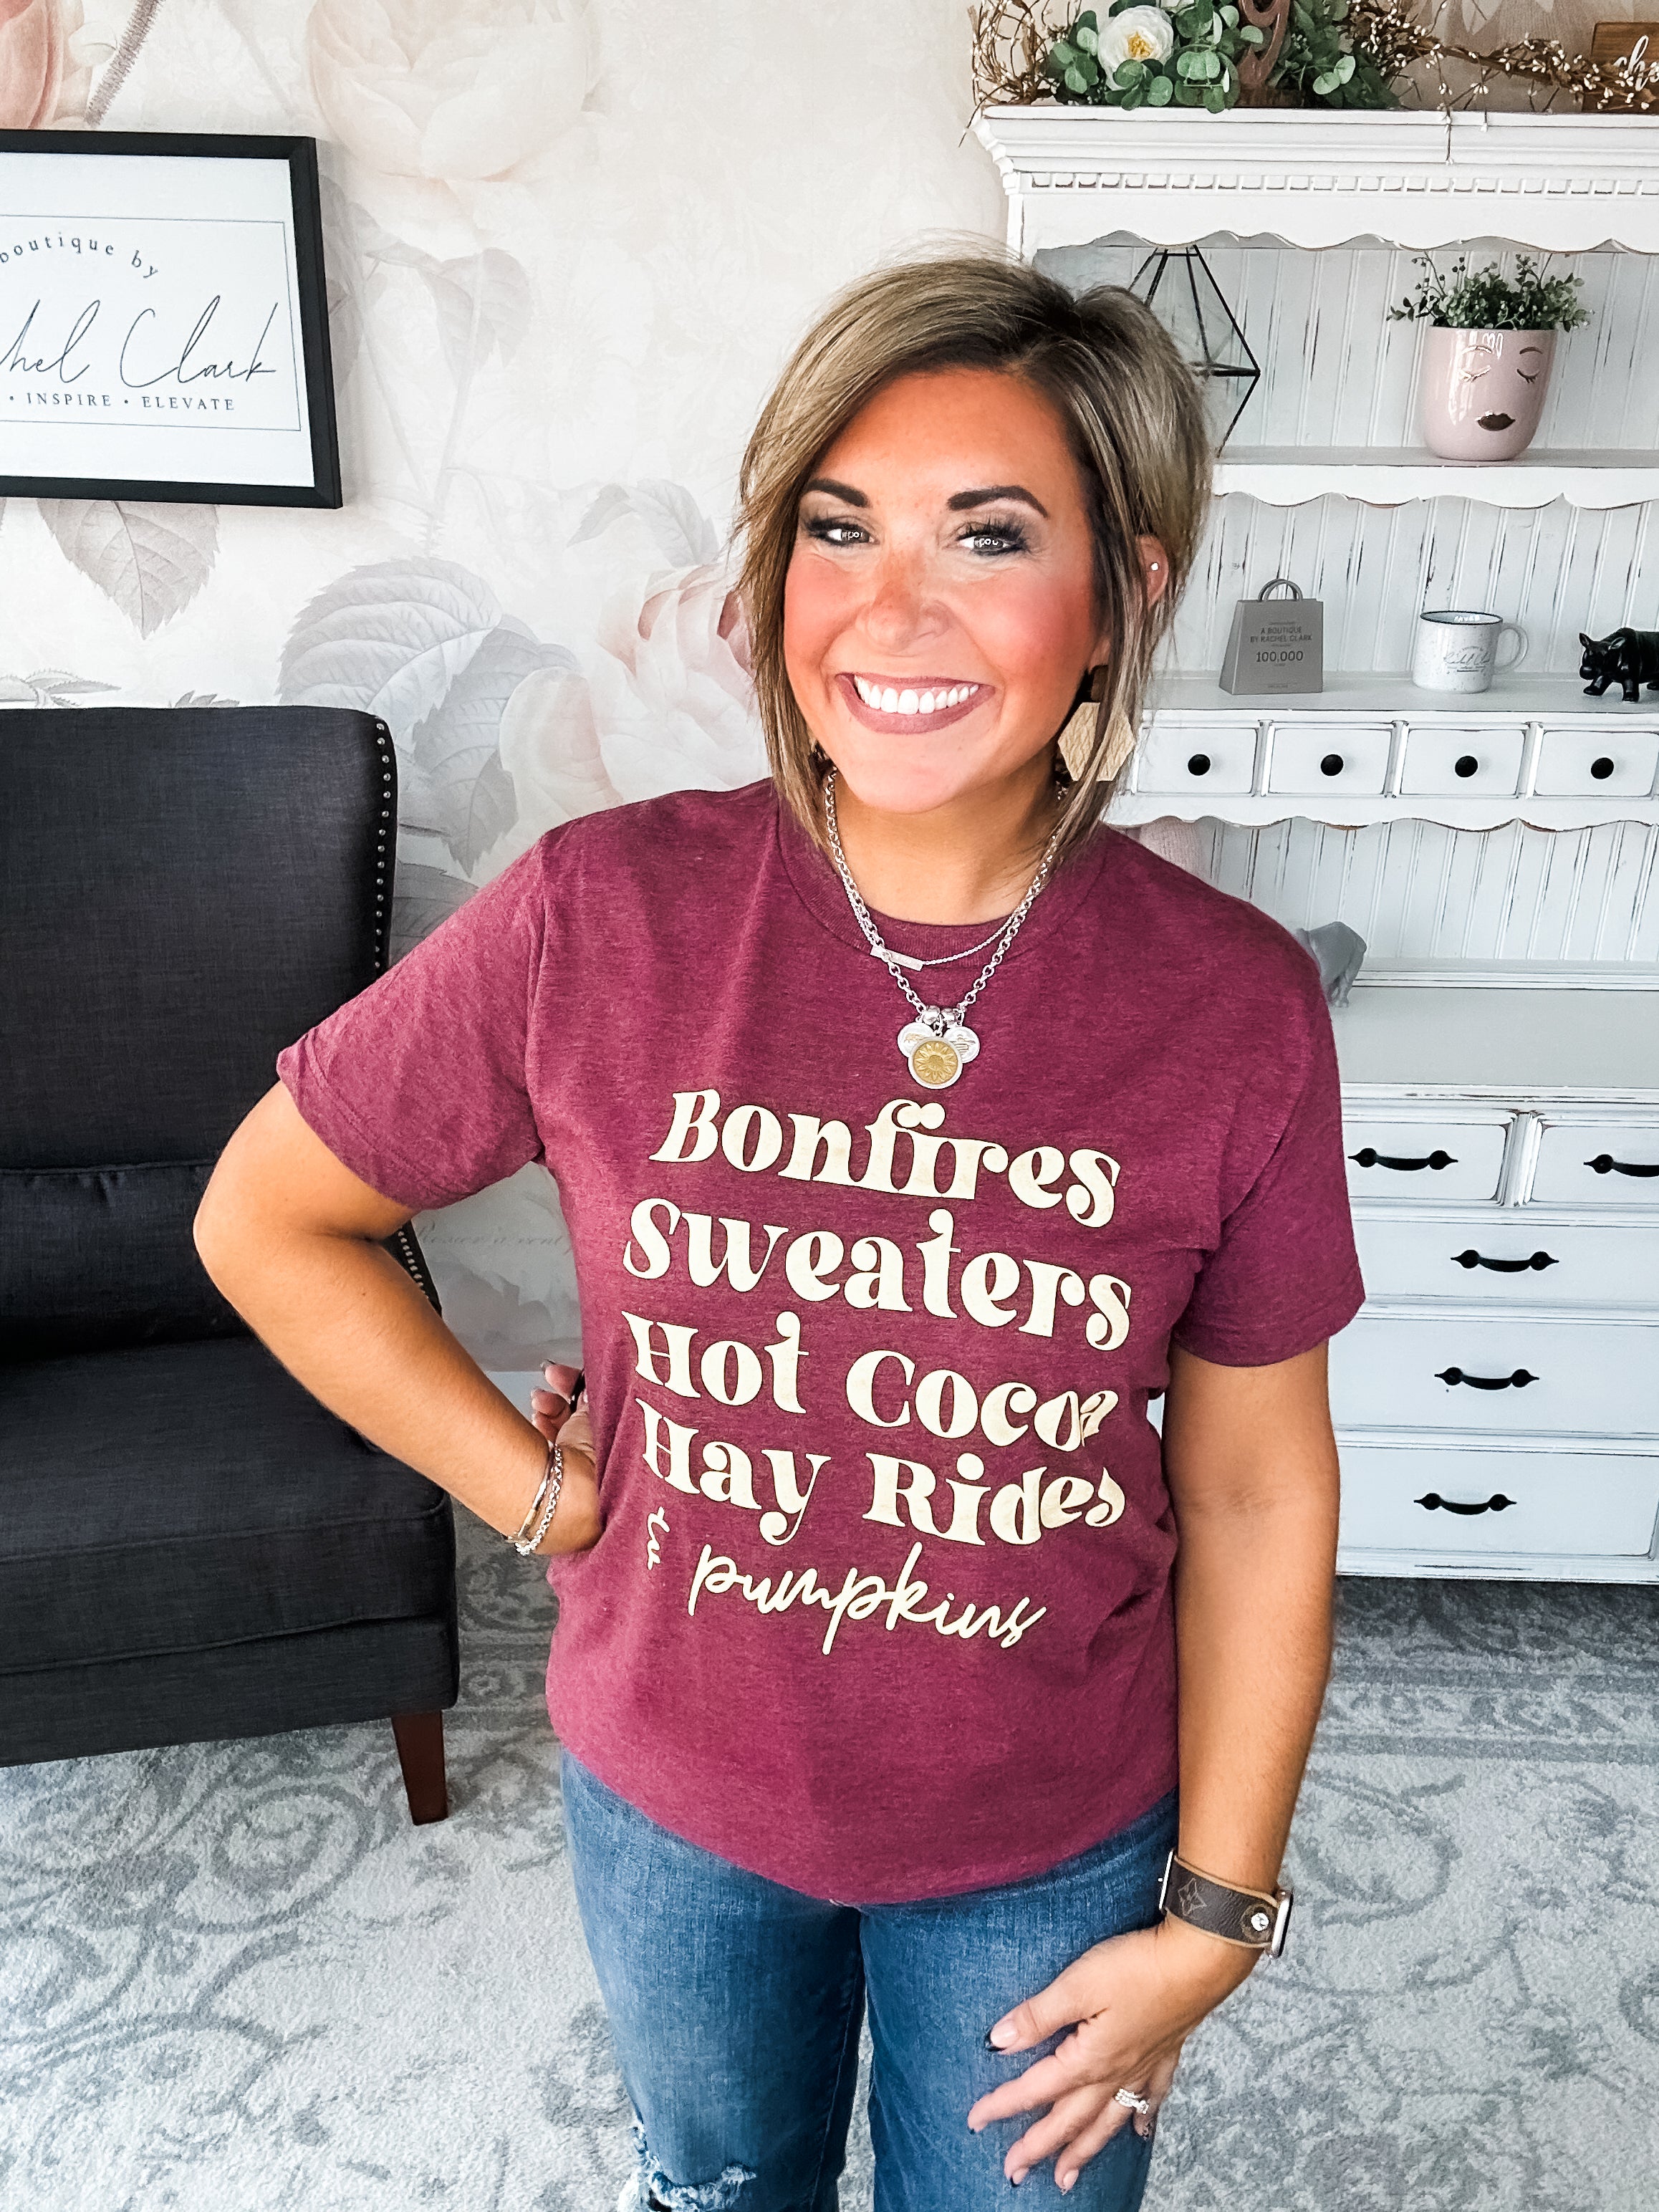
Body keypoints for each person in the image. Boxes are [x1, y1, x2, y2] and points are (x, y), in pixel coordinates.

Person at [196, 249, 1365, 2211]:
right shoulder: (598, 916)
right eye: (838, 529)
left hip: (1050, 1829)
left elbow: (1254, 1490)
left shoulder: (1227, 1003)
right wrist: (532, 1490)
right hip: (676, 1800)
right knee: (722, 2186)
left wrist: (1219, 1912)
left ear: (1124, 597)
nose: (888, 610)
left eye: (987, 538)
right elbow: (271, 1215)